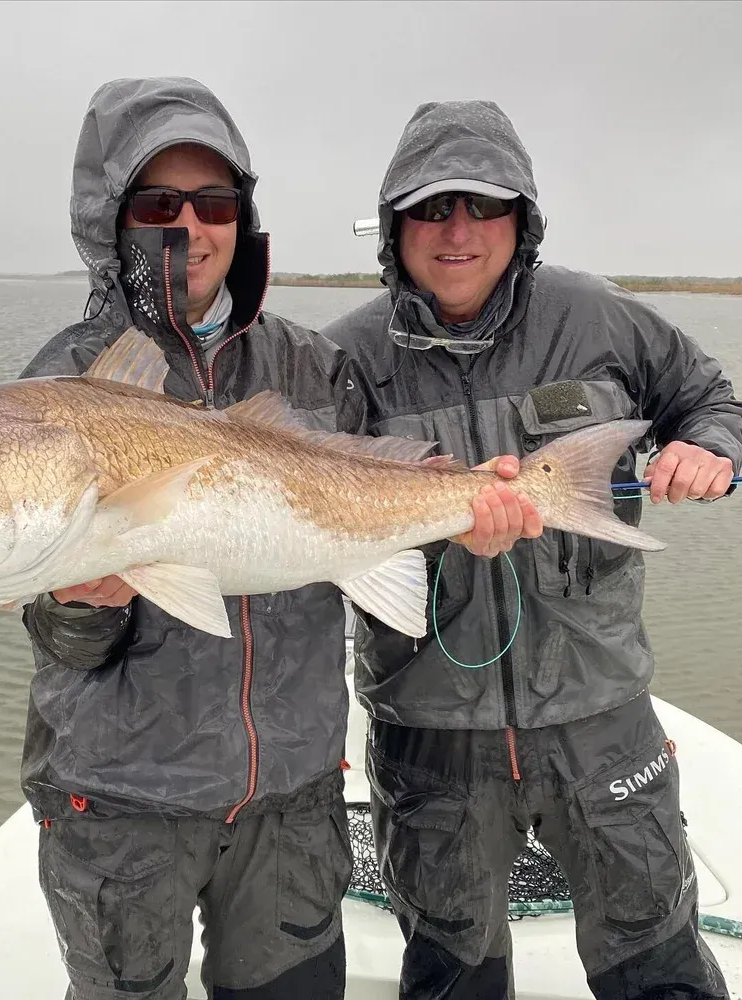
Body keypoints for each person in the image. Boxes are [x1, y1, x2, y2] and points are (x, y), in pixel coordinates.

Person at [15, 78, 537, 1000]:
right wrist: (75, 604)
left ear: (241, 217)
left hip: (293, 797)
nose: (190, 227)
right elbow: (51, 629)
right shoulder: (63, 384)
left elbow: (376, 502)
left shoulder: (311, 363)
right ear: (113, 221)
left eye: (214, 203)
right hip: (122, 803)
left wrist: (472, 519)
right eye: (157, 204)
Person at [322, 99, 742, 1000]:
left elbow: (711, 398)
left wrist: (708, 446)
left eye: (484, 204)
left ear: (524, 219)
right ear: (395, 226)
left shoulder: (601, 319)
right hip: (426, 732)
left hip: (601, 715)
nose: (458, 231)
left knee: (659, 964)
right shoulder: (340, 358)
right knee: (451, 972)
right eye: (433, 208)